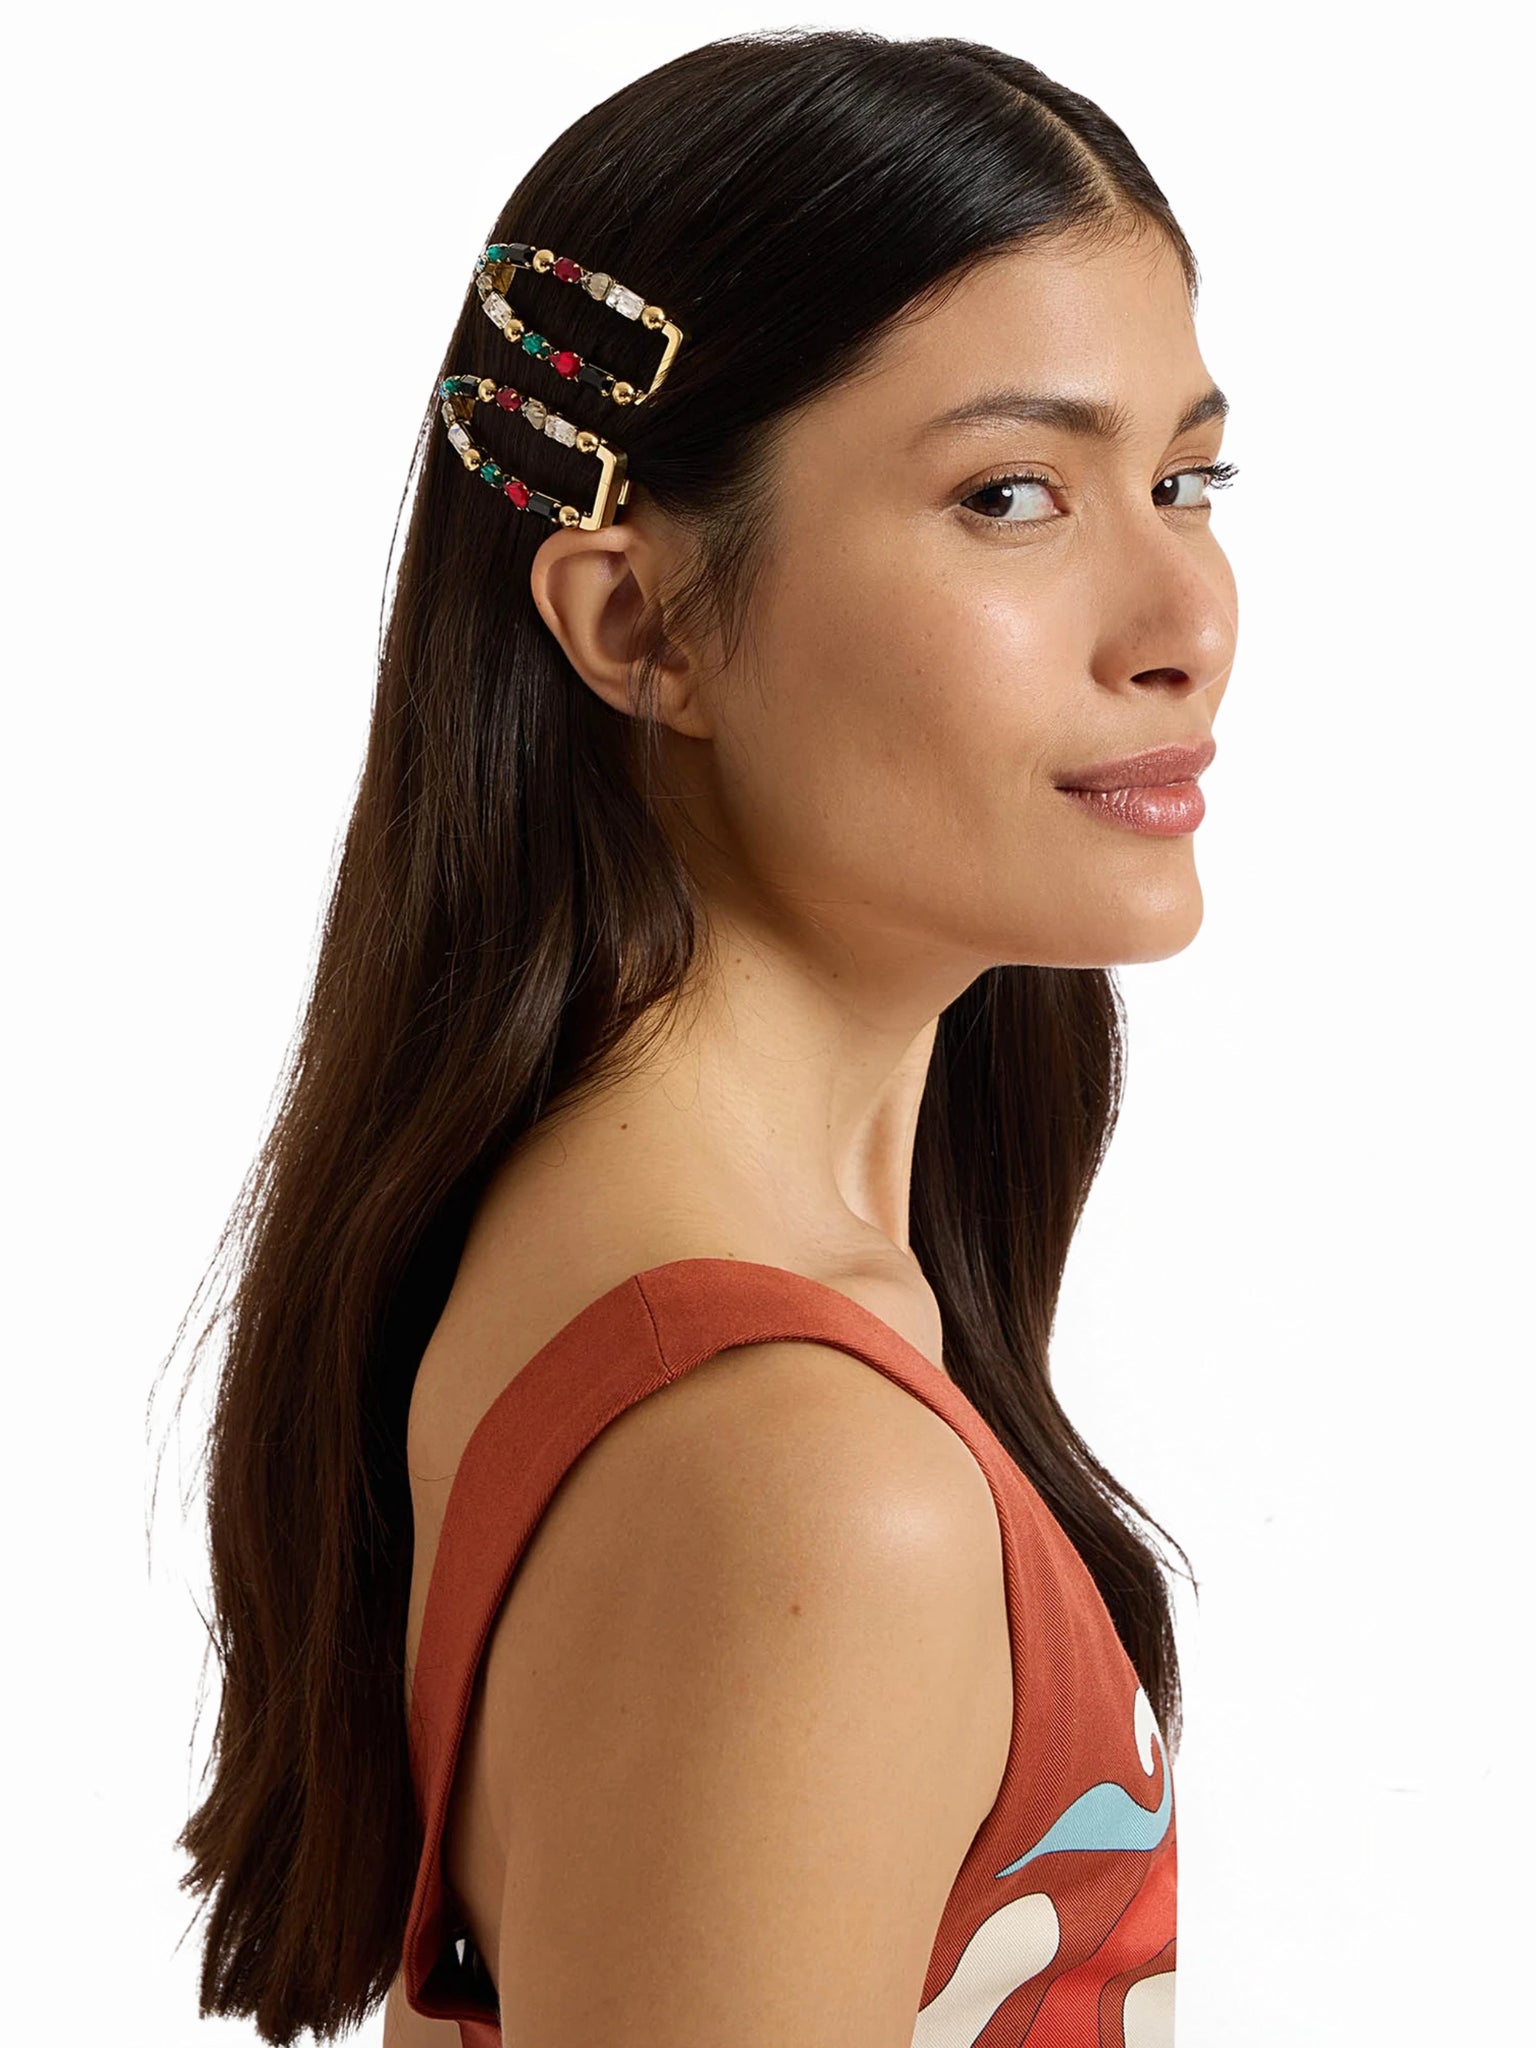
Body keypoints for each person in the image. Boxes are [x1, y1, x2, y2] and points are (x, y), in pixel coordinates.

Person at [173, 28, 1237, 2048]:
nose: (1185, 616)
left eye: (1186, 479)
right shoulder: (802, 1477)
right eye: (1012, 494)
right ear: (638, 624)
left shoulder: (633, 1286)